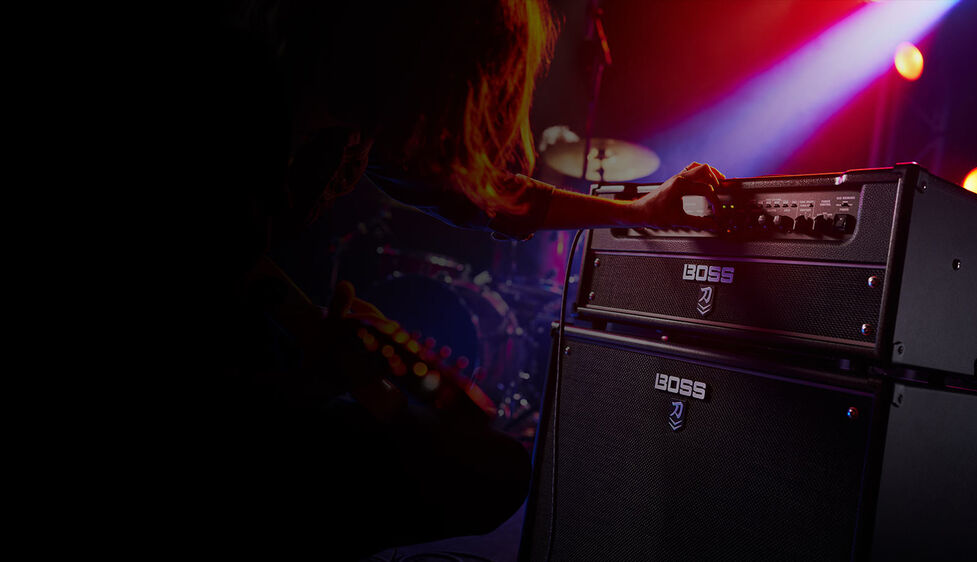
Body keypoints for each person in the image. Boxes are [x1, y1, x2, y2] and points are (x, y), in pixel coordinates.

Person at [175, 0, 724, 558]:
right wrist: (307, 381)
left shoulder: (362, 116)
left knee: (493, 471)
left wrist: (640, 211)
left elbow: (491, 199)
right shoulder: (236, 85)